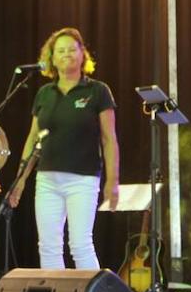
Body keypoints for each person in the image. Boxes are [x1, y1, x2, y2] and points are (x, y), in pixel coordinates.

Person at [9, 28, 120, 270]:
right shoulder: (44, 94)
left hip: (83, 179)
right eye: (60, 50)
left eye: (72, 49)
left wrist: (113, 180)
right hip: (47, 179)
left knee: (80, 245)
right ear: (51, 58)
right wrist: (20, 179)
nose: (66, 54)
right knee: (48, 246)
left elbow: (109, 139)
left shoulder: (98, 91)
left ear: (83, 55)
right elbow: (32, 139)